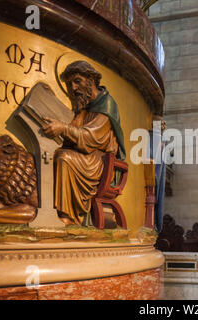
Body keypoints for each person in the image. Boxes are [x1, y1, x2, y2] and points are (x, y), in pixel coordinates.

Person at [42, 60, 125, 226]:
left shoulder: (106, 105)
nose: (73, 88)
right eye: (69, 84)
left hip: (101, 163)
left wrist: (63, 128)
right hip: (87, 158)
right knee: (54, 154)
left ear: (90, 80)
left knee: (64, 157)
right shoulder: (84, 105)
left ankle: (70, 217)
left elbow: (89, 138)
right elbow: (74, 129)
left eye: (77, 81)